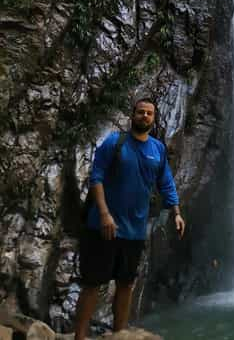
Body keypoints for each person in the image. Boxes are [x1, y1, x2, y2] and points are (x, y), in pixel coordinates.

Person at [73, 98, 186, 340]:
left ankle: (120, 334)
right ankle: (79, 337)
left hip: (134, 230)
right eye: (141, 112)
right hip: (103, 227)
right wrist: (104, 214)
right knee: (92, 283)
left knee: (126, 284)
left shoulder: (157, 149)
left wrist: (176, 213)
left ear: (154, 119)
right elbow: (96, 178)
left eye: (149, 113)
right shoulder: (115, 143)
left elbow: (166, 183)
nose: (145, 116)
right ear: (132, 115)